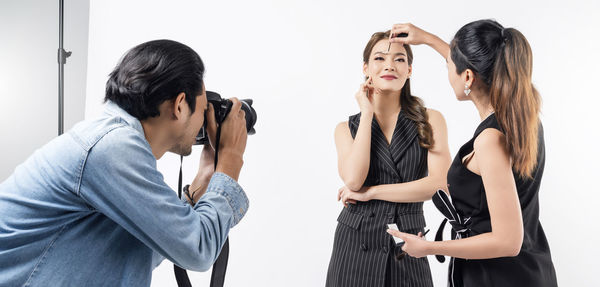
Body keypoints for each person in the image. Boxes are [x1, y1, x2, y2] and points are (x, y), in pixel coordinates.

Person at [0, 39, 250, 286]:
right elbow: (198, 250)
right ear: (180, 105)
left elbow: (143, 248)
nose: (204, 122)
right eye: (203, 108)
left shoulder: (112, 140)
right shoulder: (112, 149)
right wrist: (230, 159)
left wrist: (206, 176)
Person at [386, 20, 558, 287]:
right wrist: (428, 38)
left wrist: (430, 247)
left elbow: (508, 241)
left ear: (467, 76)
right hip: (531, 270)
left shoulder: (490, 140)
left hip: (497, 278)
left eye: (449, 66)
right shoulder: (525, 116)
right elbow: (481, 68)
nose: (447, 71)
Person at [326, 30, 452, 287]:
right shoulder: (345, 128)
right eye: (380, 58)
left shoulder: (430, 120)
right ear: (366, 68)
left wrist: (372, 193)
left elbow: (440, 184)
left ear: (410, 70)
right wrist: (367, 114)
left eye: (399, 59)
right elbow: (353, 178)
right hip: (354, 245)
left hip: (408, 241)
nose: (389, 66)